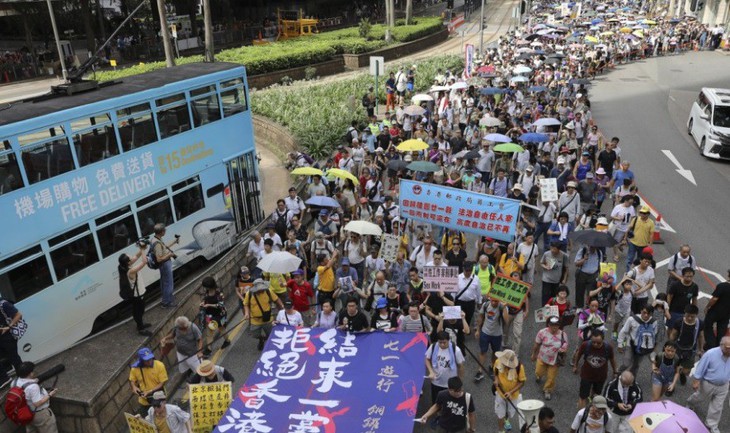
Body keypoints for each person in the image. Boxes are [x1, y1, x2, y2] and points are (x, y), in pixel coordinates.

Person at [687, 336, 730, 433]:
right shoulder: (710, 354)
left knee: (718, 406)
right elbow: (701, 367)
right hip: (708, 383)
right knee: (700, 397)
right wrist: (696, 381)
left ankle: (711, 425)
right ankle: (690, 403)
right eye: (728, 348)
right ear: (721, 346)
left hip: (724, 385)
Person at [573, 331, 617, 409]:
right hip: (586, 375)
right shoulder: (585, 345)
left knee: (596, 394)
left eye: (598, 343)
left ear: (603, 340)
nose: (595, 345)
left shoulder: (608, 348)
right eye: (593, 342)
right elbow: (578, 354)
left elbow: (612, 359)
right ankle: (582, 413)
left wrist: (615, 371)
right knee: (583, 396)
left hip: (601, 376)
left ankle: (591, 399)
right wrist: (575, 365)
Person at [13, 362, 59, 433]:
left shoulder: (14, 382)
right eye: (33, 371)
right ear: (30, 373)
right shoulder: (32, 387)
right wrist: (50, 394)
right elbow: (37, 403)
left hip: (26, 412)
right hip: (39, 414)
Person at [118, 244, 152, 336]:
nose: (132, 257)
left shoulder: (123, 266)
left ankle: (140, 324)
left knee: (138, 311)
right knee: (139, 311)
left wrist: (142, 248)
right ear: (128, 262)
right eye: (129, 257)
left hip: (137, 294)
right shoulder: (131, 271)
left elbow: (136, 256)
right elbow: (144, 261)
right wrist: (143, 250)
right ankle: (141, 328)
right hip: (138, 295)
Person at [531, 316, 569, 401]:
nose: (554, 327)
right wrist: (534, 354)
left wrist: (563, 350)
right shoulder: (542, 332)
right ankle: (539, 376)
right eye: (552, 325)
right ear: (548, 324)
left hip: (555, 360)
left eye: (556, 325)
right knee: (539, 371)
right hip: (542, 357)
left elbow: (565, 345)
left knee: (551, 377)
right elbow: (537, 344)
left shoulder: (563, 335)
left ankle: (547, 390)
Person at [425, 331, 465, 407]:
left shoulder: (456, 350)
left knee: (450, 404)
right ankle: (438, 416)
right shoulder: (433, 347)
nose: (442, 345)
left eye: (444, 342)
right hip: (436, 382)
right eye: (440, 342)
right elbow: (427, 359)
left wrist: (459, 382)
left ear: (449, 340)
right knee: (437, 403)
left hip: (450, 384)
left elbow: (461, 366)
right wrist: (431, 371)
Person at [668, 304, 704, 386]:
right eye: (688, 316)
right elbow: (673, 334)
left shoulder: (700, 323)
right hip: (678, 348)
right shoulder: (679, 322)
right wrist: (669, 345)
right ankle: (672, 380)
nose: (690, 318)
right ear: (685, 313)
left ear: (696, 315)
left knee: (686, 371)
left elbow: (701, 336)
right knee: (673, 365)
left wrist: (701, 349)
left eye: (692, 316)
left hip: (691, 350)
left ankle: (681, 373)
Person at [244, 278, 283, 351]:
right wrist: (246, 313)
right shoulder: (249, 294)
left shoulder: (268, 291)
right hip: (255, 320)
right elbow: (246, 304)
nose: (261, 290)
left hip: (268, 319)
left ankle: (271, 347)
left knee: (271, 335)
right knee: (254, 334)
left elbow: (276, 299)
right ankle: (261, 338)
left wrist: (282, 307)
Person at [617, 305, 656, 375]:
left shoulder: (654, 322)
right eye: (644, 312)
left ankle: (631, 380)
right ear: (641, 311)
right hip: (631, 345)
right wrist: (620, 344)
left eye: (649, 314)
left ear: (652, 314)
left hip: (642, 348)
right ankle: (618, 372)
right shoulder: (632, 319)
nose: (646, 315)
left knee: (636, 365)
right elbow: (623, 331)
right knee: (626, 363)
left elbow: (654, 336)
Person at [493, 349, 526, 433]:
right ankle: (501, 431)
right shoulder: (498, 362)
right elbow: (496, 373)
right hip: (500, 393)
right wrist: (496, 380)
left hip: (513, 396)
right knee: (500, 414)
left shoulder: (519, 367)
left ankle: (506, 419)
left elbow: (522, 382)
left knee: (510, 412)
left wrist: (511, 392)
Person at [128, 347, 168, 412]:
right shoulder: (135, 369)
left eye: (150, 359)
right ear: (141, 360)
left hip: (159, 397)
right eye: (146, 360)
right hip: (144, 400)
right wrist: (134, 387)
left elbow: (162, 383)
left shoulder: (159, 365)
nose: (149, 361)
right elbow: (132, 380)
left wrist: (149, 391)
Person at [198, 277, 230, 354]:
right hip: (210, 315)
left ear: (209, 286)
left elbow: (221, 304)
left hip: (219, 315)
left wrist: (208, 305)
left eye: (205, 286)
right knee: (210, 331)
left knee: (221, 329)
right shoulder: (207, 292)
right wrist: (203, 303)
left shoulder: (219, 293)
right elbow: (205, 299)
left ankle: (227, 341)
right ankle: (209, 348)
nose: (204, 288)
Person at [152, 223, 180, 308]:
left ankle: (167, 299)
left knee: (165, 283)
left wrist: (174, 241)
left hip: (164, 264)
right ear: (161, 232)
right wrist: (169, 255)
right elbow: (159, 259)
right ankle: (167, 303)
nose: (165, 231)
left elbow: (164, 247)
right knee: (168, 283)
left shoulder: (156, 238)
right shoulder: (157, 243)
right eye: (164, 230)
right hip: (164, 264)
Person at [704, 269, 730, 351]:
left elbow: (714, 299)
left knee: (707, 325)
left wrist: (707, 307)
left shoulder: (722, 286)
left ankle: (711, 345)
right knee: (721, 331)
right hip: (727, 313)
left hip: (716, 311)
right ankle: (719, 347)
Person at [0, 296, 24, 383]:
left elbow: (18, 315)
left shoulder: (4, 304)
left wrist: (9, 326)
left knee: (14, 358)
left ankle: (23, 377)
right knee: (11, 358)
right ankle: (4, 379)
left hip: (8, 336)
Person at [624, 206, 654, 272]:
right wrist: (625, 238)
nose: (642, 214)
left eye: (644, 213)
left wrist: (650, 245)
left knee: (640, 260)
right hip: (632, 243)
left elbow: (651, 234)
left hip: (644, 245)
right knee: (629, 259)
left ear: (648, 214)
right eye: (641, 212)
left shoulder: (651, 223)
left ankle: (637, 272)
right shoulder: (636, 219)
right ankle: (628, 273)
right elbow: (628, 228)